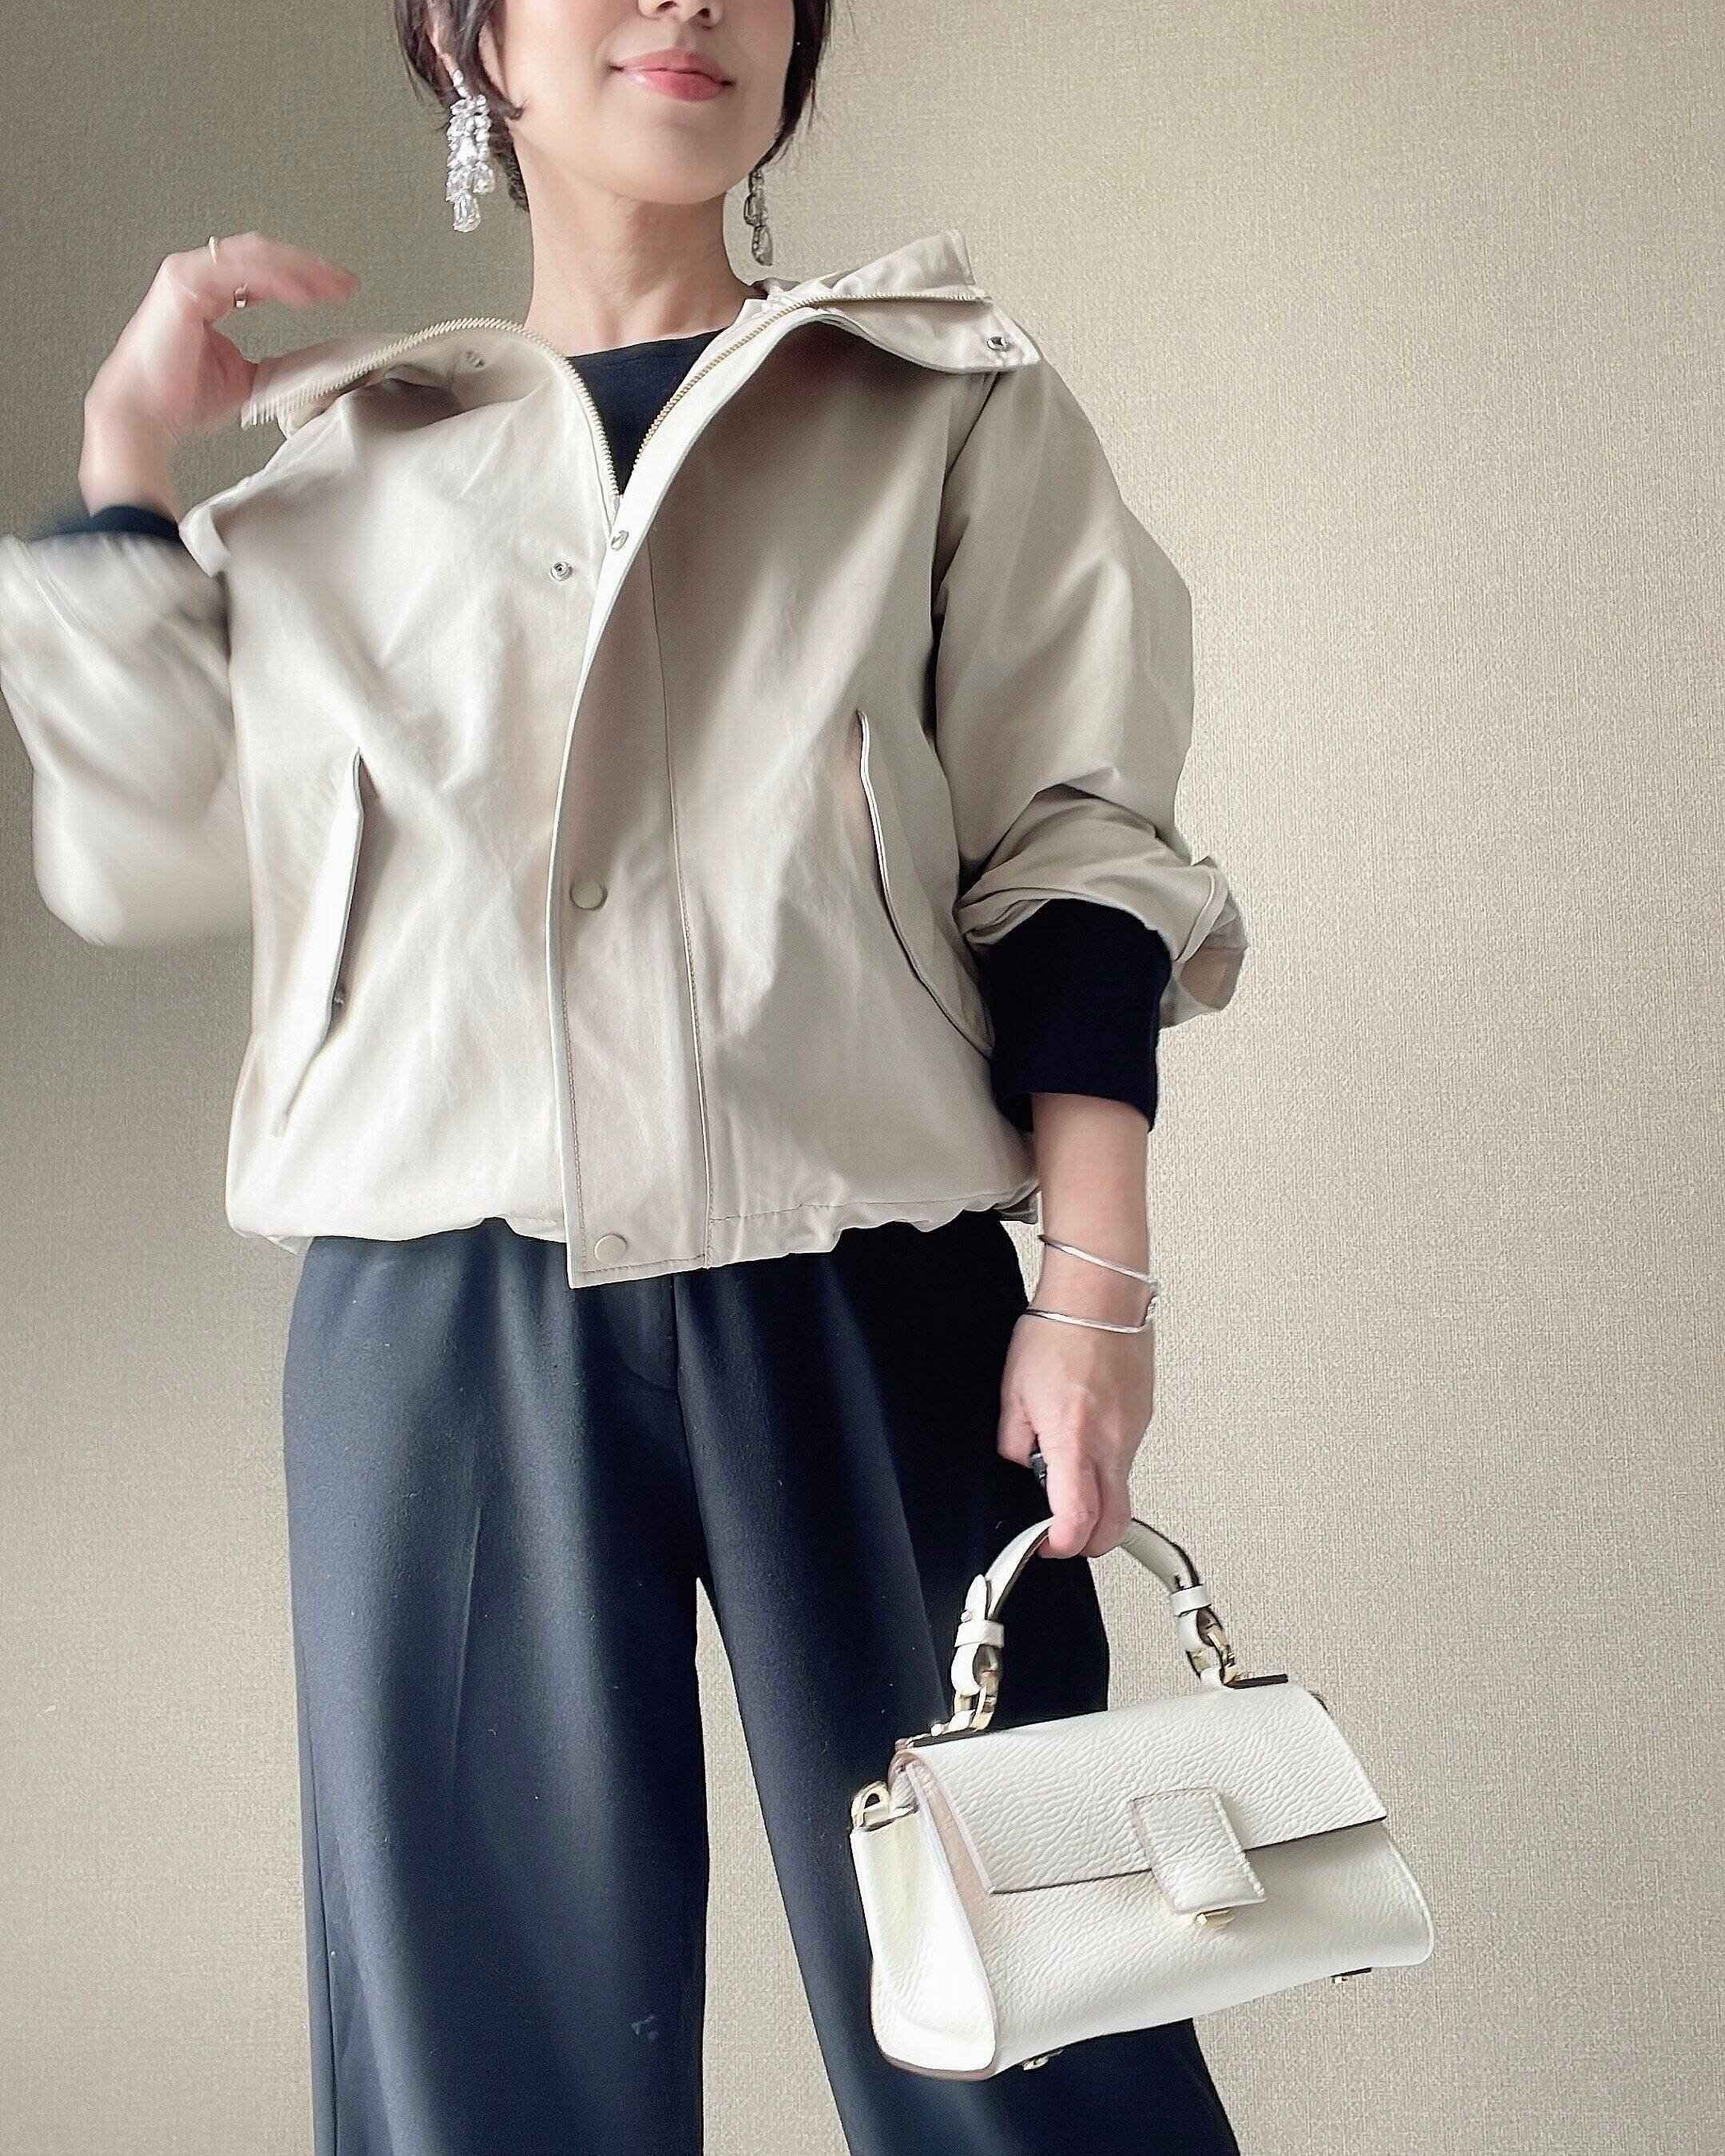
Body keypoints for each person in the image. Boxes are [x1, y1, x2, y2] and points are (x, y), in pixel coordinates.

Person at [0, 2, 1250, 2150]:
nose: (686, 2)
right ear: (473, 35)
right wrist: (125, 466)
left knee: (1041, 2018)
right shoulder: (337, 476)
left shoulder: (946, 400)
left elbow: (1078, 851)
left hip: (868, 1293)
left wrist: (1095, 1287)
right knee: (481, 2067)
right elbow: (137, 851)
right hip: (441, 1328)